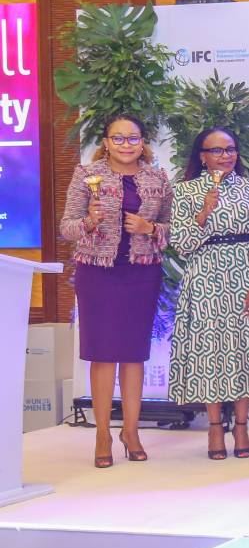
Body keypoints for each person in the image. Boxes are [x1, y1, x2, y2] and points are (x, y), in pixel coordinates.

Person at [60, 115, 171, 468]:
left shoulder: (157, 177)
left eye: (133, 138)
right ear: (105, 142)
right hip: (97, 272)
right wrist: (90, 222)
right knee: (103, 353)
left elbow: (172, 230)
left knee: (134, 354)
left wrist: (149, 226)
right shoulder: (85, 175)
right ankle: (103, 433)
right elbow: (67, 228)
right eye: (118, 138)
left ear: (143, 141)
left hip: (141, 271)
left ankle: (132, 432)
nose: (126, 144)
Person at [168, 127, 249, 460]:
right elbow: (182, 244)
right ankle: (215, 428)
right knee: (211, 355)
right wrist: (204, 211)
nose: (225, 156)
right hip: (205, 280)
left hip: (247, 276)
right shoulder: (186, 191)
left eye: (230, 149)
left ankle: (242, 427)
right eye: (216, 150)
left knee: (245, 349)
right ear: (201, 156)